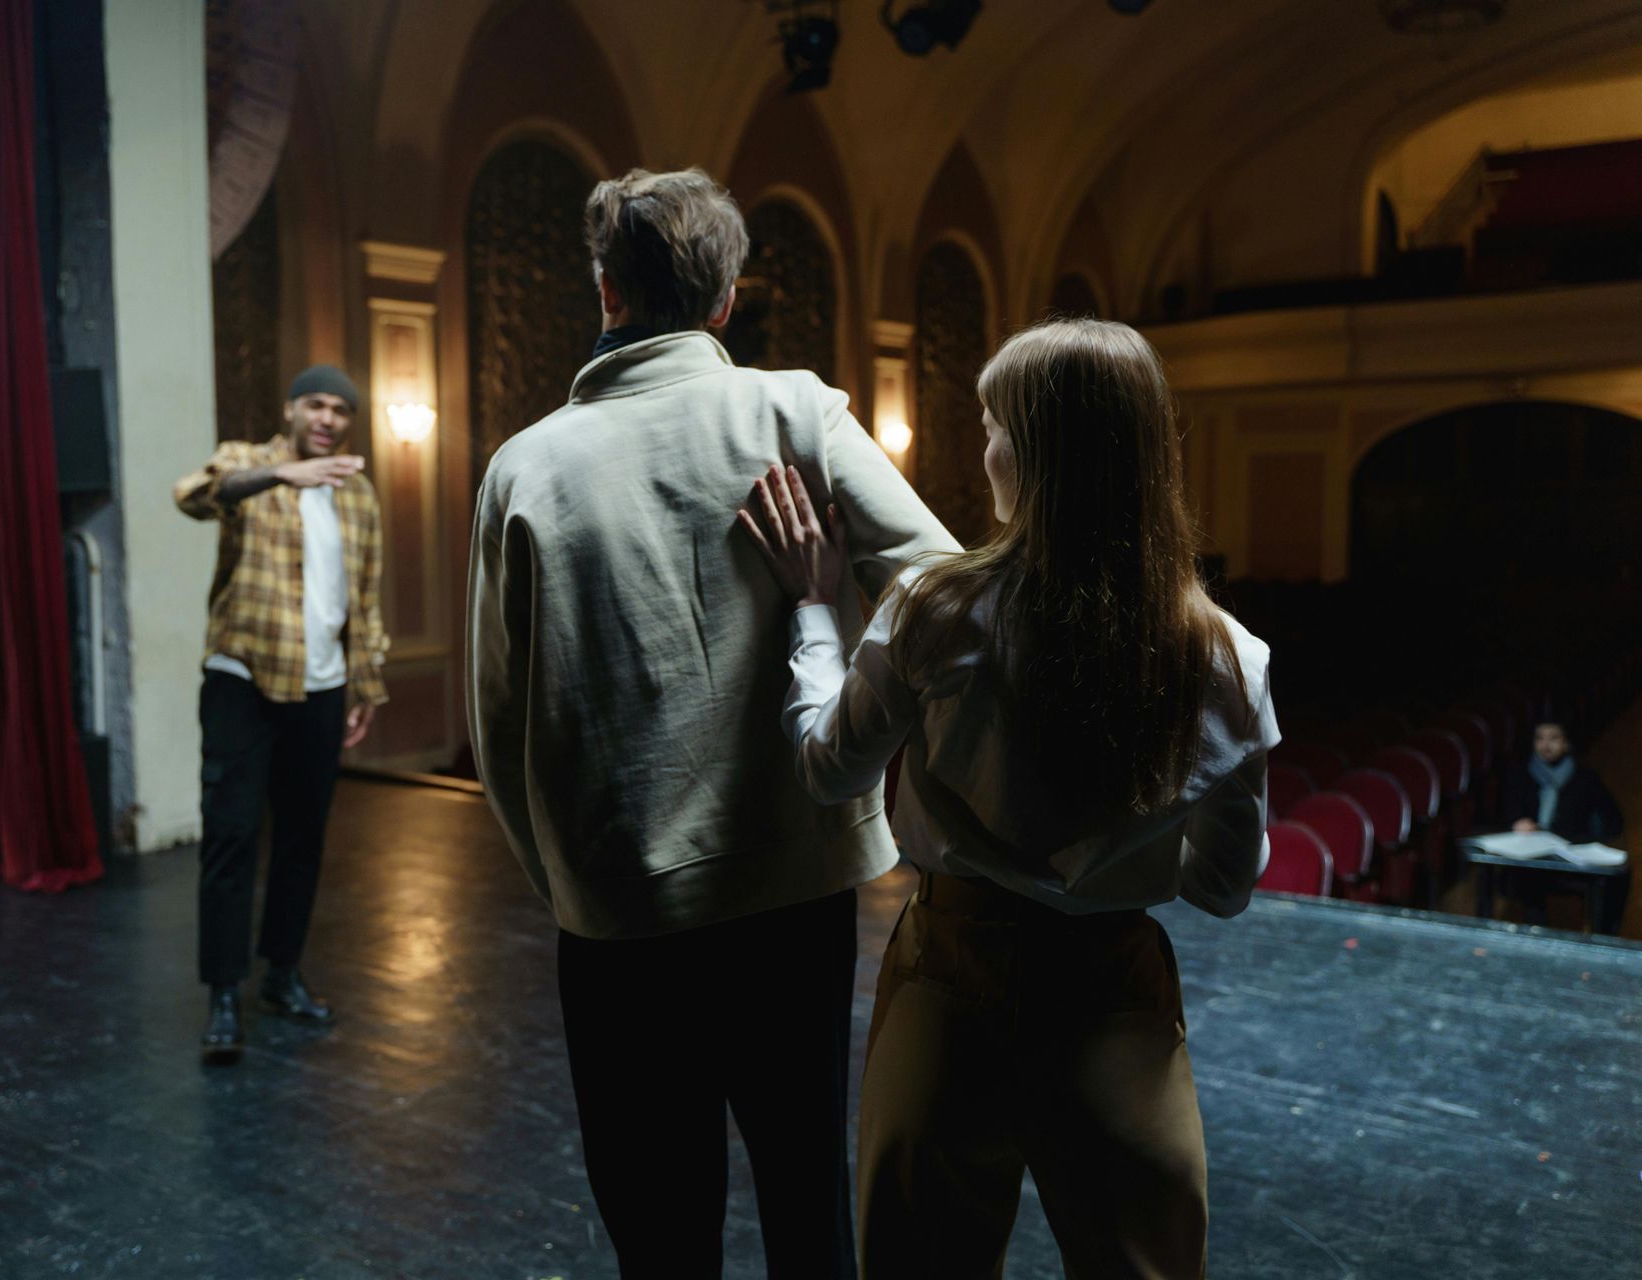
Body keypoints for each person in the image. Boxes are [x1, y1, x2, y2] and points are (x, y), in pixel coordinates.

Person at [467, 167, 957, 1278]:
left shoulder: (523, 467)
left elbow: (498, 724)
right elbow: (947, 596)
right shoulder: (794, 411)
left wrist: (569, 882)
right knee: (804, 1197)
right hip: (791, 891)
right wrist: (824, 613)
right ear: (727, 298)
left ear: (604, 291)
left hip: (619, 908)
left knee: (659, 1228)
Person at [739, 318, 1278, 1278]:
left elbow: (830, 769)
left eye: (992, 424)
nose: (982, 447)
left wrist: (816, 604)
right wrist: (1129, 843)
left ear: (1027, 453)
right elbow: (1223, 888)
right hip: (1117, 1001)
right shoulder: (1228, 655)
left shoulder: (934, 609)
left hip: (953, 985)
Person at [173, 365, 389, 1065]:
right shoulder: (248, 463)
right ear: (291, 409)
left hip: (322, 688)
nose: (327, 418)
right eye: (316, 405)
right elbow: (196, 496)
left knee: (303, 838)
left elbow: (366, 599)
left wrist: (364, 687)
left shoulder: (358, 497)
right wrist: (281, 478)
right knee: (232, 835)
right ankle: (224, 995)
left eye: (339, 410)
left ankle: (282, 975)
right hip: (242, 677)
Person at [1504, 720, 1624, 844]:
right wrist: (1517, 822)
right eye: (1539, 738)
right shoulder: (1520, 773)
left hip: (1573, 849)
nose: (1546, 745)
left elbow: (1613, 819)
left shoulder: (1586, 777)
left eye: (1553, 738)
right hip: (1527, 844)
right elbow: (1509, 811)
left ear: (1566, 743)